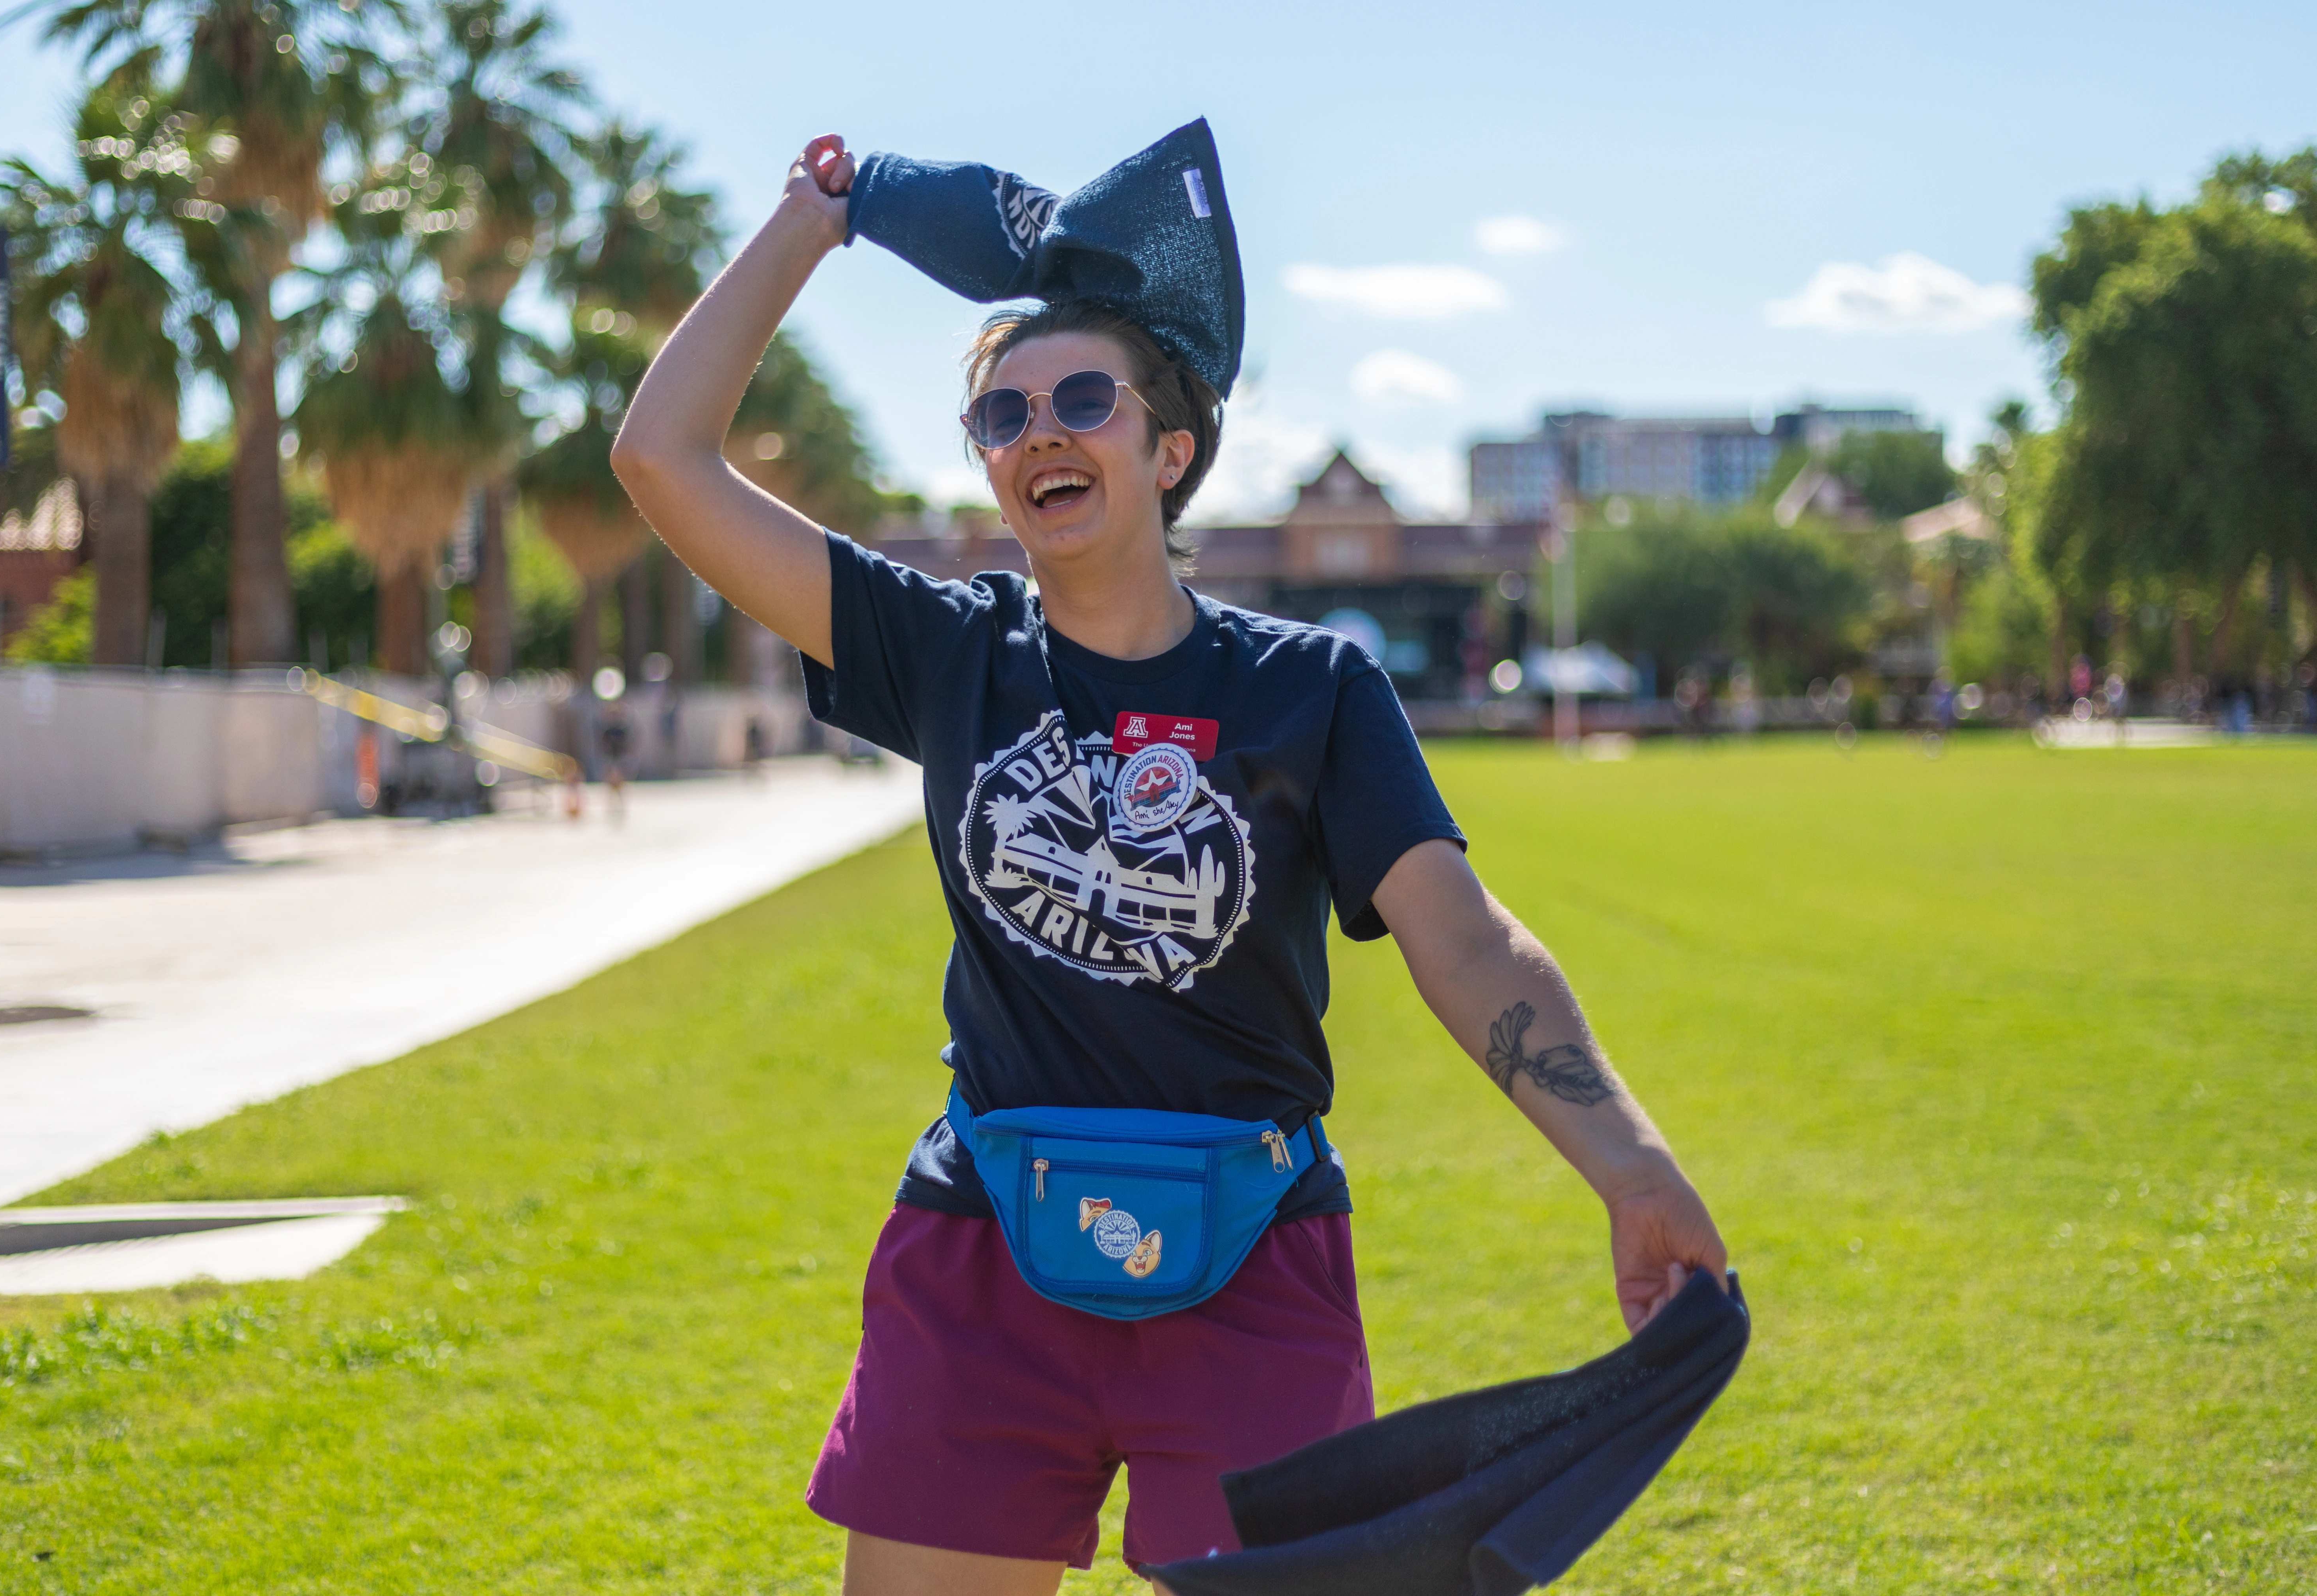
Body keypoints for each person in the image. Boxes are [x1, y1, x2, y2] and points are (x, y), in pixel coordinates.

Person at [611, 129, 1729, 1596]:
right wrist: (814, 225)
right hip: (983, 1250)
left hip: (1256, 1254)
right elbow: (660, 458)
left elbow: (1465, 939)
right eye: (1001, 415)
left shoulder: (1311, 686)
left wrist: (1627, 1158)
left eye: (1085, 398)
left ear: (1170, 448)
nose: (1041, 432)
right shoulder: (945, 652)